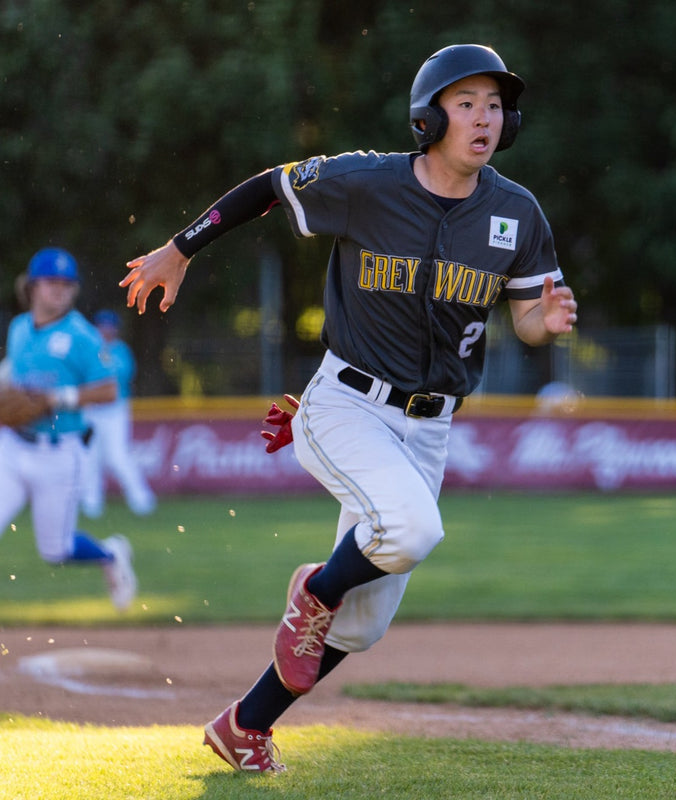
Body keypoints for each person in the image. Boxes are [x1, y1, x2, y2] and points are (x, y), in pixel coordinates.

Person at [121, 44, 577, 773]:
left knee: (362, 625)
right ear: (428, 118)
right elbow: (270, 186)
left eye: (495, 105)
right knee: (412, 530)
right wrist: (182, 247)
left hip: (429, 427)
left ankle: (244, 725)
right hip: (346, 403)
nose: (484, 117)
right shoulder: (368, 180)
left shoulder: (516, 213)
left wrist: (544, 321)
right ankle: (317, 586)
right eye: (466, 103)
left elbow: (525, 318)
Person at [0, 248, 137, 611]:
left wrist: (56, 398)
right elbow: (13, 375)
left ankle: (110, 554)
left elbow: (109, 389)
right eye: (50, 282)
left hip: (60, 452)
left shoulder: (82, 335)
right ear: (31, 287)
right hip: (12, 448)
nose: (58, 290)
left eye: (66, 284)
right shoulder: (19, 328)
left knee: (55, 550)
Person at [81, 309, 157, 518]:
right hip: (91, 409)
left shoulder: (120, 350)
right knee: (89, 457)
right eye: (101, 326)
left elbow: (118, 376)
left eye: (109, 326)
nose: (105, 330)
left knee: (117, 456)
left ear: (115, 329)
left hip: (115, 410)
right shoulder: (89, 349)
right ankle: (91, 503)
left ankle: (141, 499)